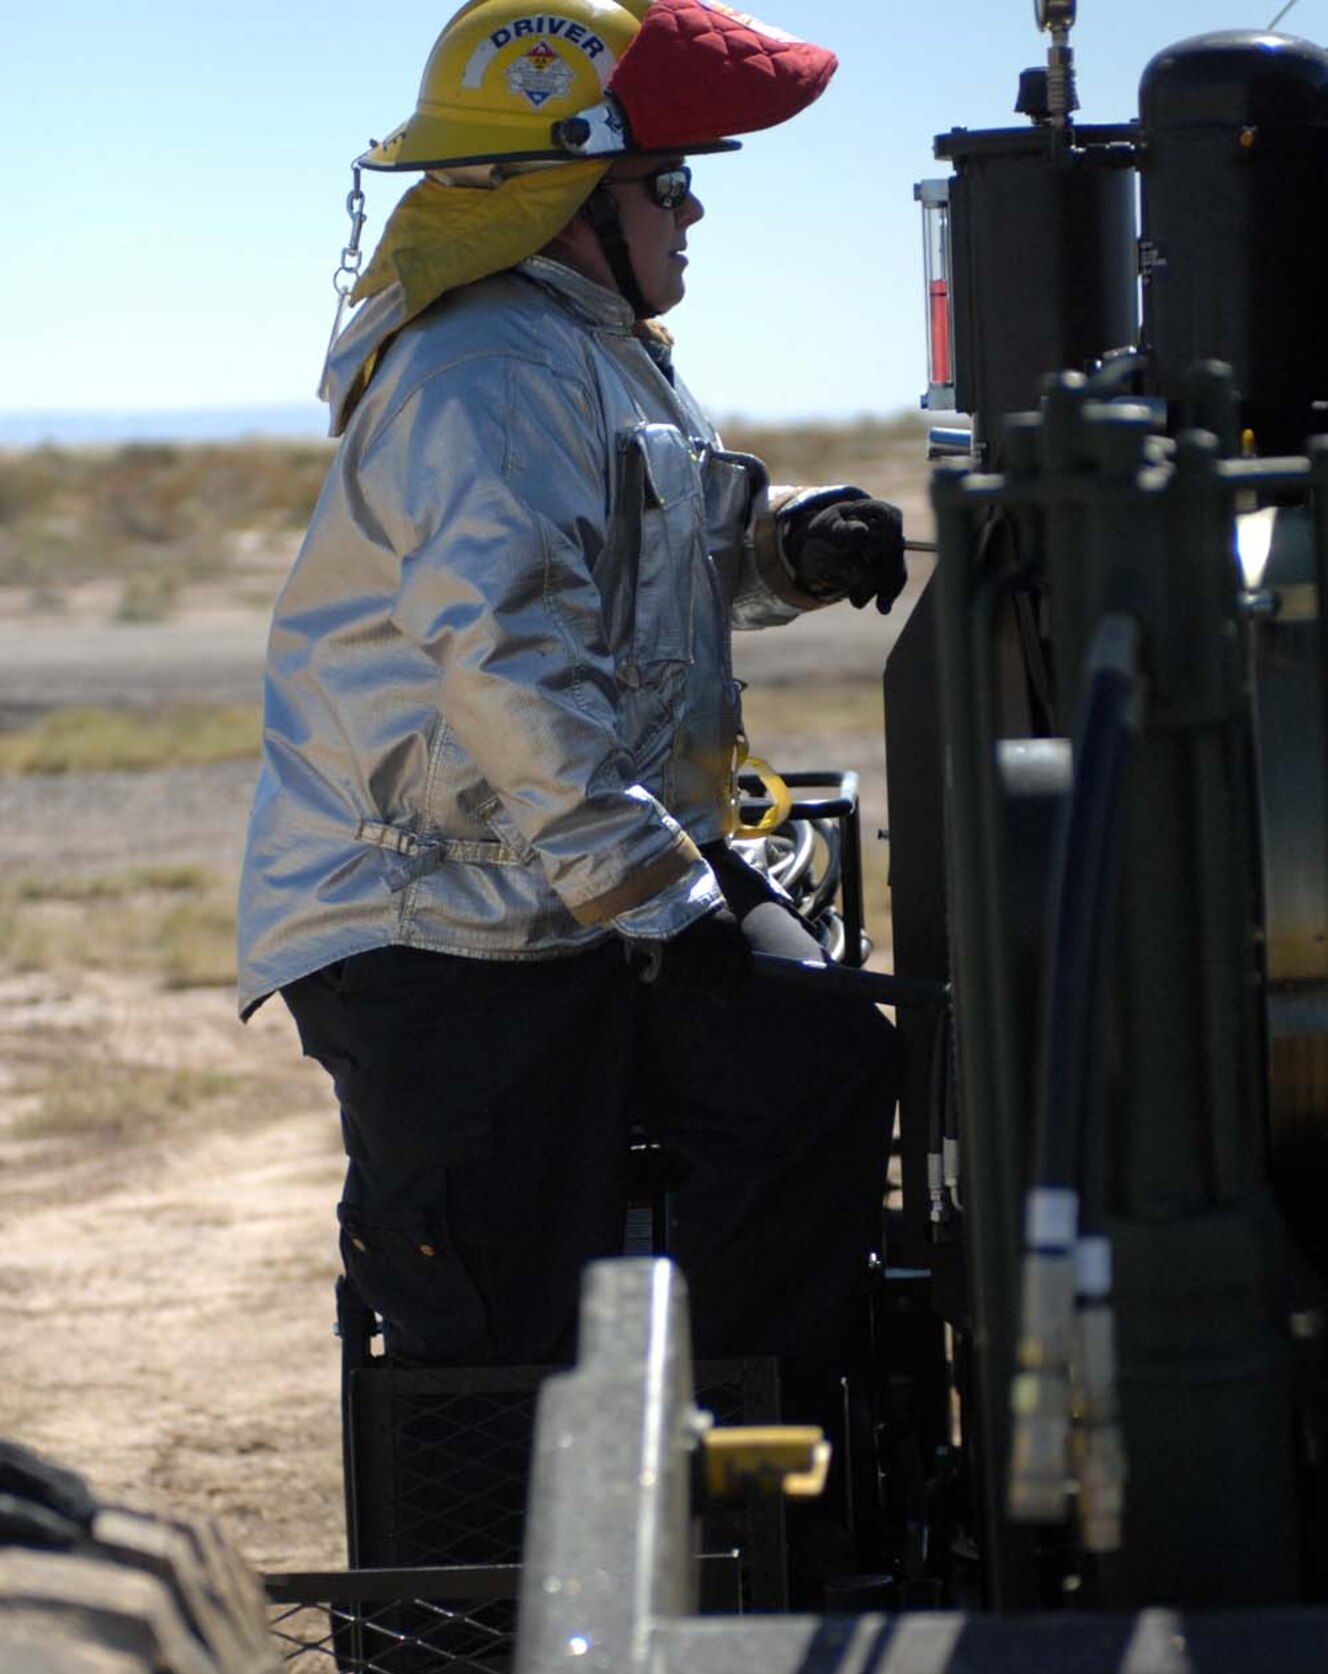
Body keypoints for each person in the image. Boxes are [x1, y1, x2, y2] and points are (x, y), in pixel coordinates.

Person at [238, 0, 906, 1375]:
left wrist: (788, 543)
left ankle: (704, 1461)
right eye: (671, 183)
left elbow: (651, 575)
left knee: (817, 1067)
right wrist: (661, 898)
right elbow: (507, 653)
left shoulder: (591, 347)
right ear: (558, 195)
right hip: (441, 924)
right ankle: (521, 1567)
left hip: (552, 889)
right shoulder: (483, 369)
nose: (691, 216)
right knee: (500, 1333)